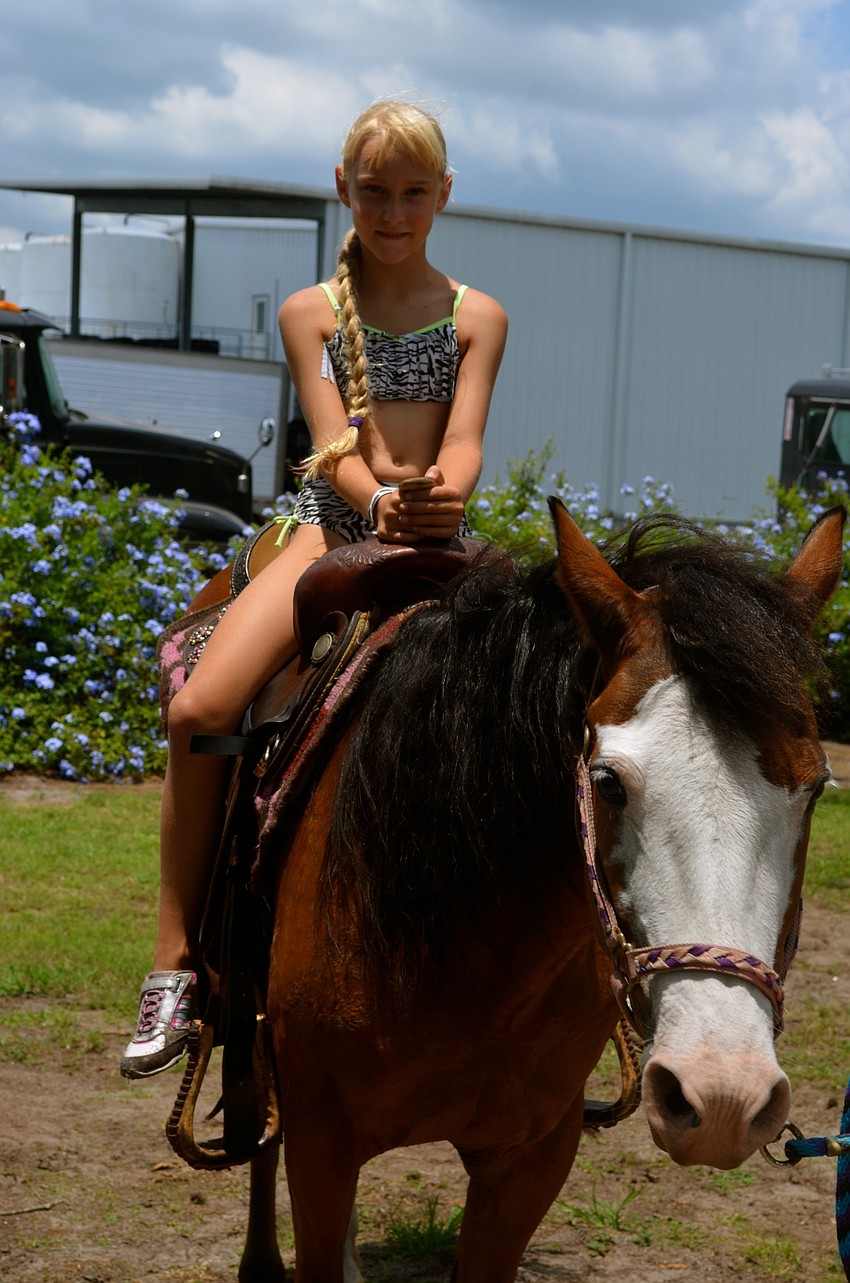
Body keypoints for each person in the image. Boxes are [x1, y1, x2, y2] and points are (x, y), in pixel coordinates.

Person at [120, 99, 508, 1078]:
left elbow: (462, 446)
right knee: (200, 704)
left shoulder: (477, 317)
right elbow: (331, 444)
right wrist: (379, 503)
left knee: (550, 711)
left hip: (439, 541)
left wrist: (436, 500)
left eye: (412, 192)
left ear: (443, 197)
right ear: (344, 190)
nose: (392, 211)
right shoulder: (312, 314)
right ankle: (173, 961)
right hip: (328, 537)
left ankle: (569, 979)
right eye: (373, 191)